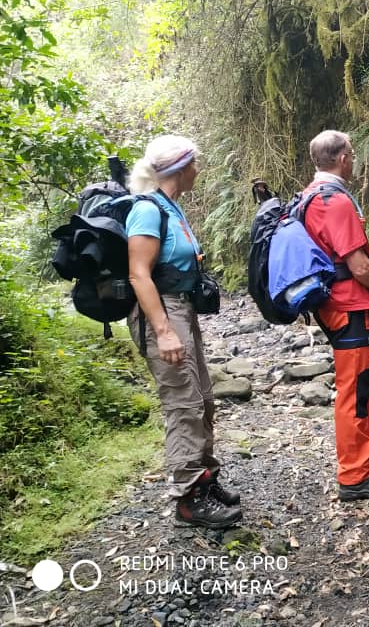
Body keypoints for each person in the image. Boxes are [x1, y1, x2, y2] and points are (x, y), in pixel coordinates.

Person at [127, 135, 242, 529]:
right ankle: (188, 499)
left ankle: (205, 481)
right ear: (179, 167)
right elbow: (138, 274)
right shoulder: (146, 210)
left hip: (182, 309)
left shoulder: (170, 207)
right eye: (194, 163)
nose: (198, 169)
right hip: (162, 313)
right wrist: (164, 332)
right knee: (183, 405)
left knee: (204, 400)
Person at [302, 130, 369, 501]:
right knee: (355, 391)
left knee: (365, 382)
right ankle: (353, 476)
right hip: (348, 304)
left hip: (333, 304)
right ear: (344, 158)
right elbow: (358, 263)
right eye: (352, 154)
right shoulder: (335, 201)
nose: (355, 160)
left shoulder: (309, 196)